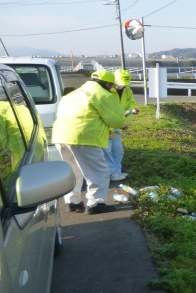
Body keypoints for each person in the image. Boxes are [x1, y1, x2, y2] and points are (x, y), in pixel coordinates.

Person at [52, 70, 126, 215]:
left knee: (74, 171)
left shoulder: (72, 94)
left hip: (61, 136)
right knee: (98, 171)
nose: (112, 88)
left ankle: (72, 202)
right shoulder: (102, 94)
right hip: (84, 137)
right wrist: (123, 125)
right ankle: (95, 203)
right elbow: (117, 119)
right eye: (111, 86)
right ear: (107, 83)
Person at [104, 69, 139, 181]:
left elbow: (131, 102)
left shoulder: (127, 91)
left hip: (116, 126)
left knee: (118, 150)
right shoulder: (107, 91)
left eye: (125, 85)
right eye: (120, 85)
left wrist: (132, 109)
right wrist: (120, 122)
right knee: (107, 152)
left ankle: (116, 172)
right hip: (106, 126)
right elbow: (107, 112)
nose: (122, 87)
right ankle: (109, 174)